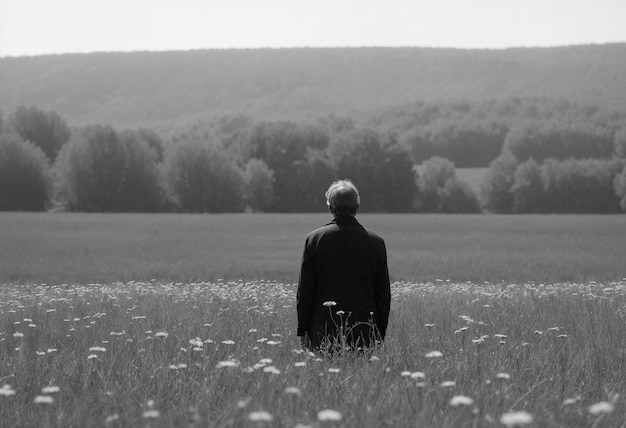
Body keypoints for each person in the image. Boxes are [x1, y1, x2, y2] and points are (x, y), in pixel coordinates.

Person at [296, 179, 391, 352]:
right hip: (365, 330)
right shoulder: (376, 242)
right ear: (357, 206)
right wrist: (380, 332)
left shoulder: (314, 240)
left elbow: (305, 291)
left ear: (330, 207)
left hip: (323, 330)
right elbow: (383, 292)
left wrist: (303, 329)